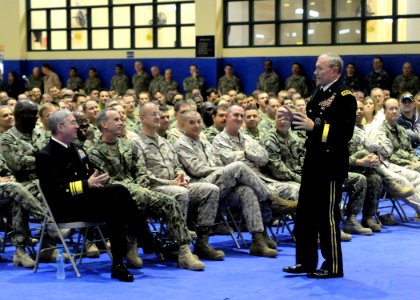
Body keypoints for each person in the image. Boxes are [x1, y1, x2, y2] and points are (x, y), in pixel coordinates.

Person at [85, 108, 206, 270]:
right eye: (116, 120)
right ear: (104, 124)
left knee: (170, 202)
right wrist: (138, 190)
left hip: (140, 192)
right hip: (116, 198)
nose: (121, 122)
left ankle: (183, 252)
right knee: (135, 198)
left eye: (121, 119)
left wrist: (142, 187)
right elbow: (107, 181)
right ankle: (131, 243)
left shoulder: (129, 146)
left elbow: (141, 172)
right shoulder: (94, 152)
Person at [35, 110, 148, 282]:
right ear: (60, 127)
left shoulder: (78, 149)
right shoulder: (46, 155)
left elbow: (90, 174)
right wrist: (86, 184)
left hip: (85, 203)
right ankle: (146, 237)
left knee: (115, 206)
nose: (77, 126)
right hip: (65, 208)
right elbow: (55, 192)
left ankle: (118, 265)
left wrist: (99, 179)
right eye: (73, 122)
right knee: (118, 191)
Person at [282, 53, 356, 279]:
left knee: (327, 216)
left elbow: (344, 133)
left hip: (330, 165)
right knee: (305, 214)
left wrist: (314, 127)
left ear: (334, 70)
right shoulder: (318, 93)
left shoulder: (345, 96)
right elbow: (310, 126)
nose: (314, 72)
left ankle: (333, 265)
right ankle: (305, 261)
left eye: (319, 68)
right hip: (313, 162)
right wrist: (294, 120)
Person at [137, 102, 224, 260]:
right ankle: (177, 246)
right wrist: (172, 183)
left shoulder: (164, 141)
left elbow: (177, 165)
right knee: (180, 192)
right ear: (142, 118)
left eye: (159, 113)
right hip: (154, 189)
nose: (158, 117)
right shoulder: (136, 143)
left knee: (210, 189)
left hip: (176, 185)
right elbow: (143, 174)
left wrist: (181, 177)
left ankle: (202, 242)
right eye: (153, 114)